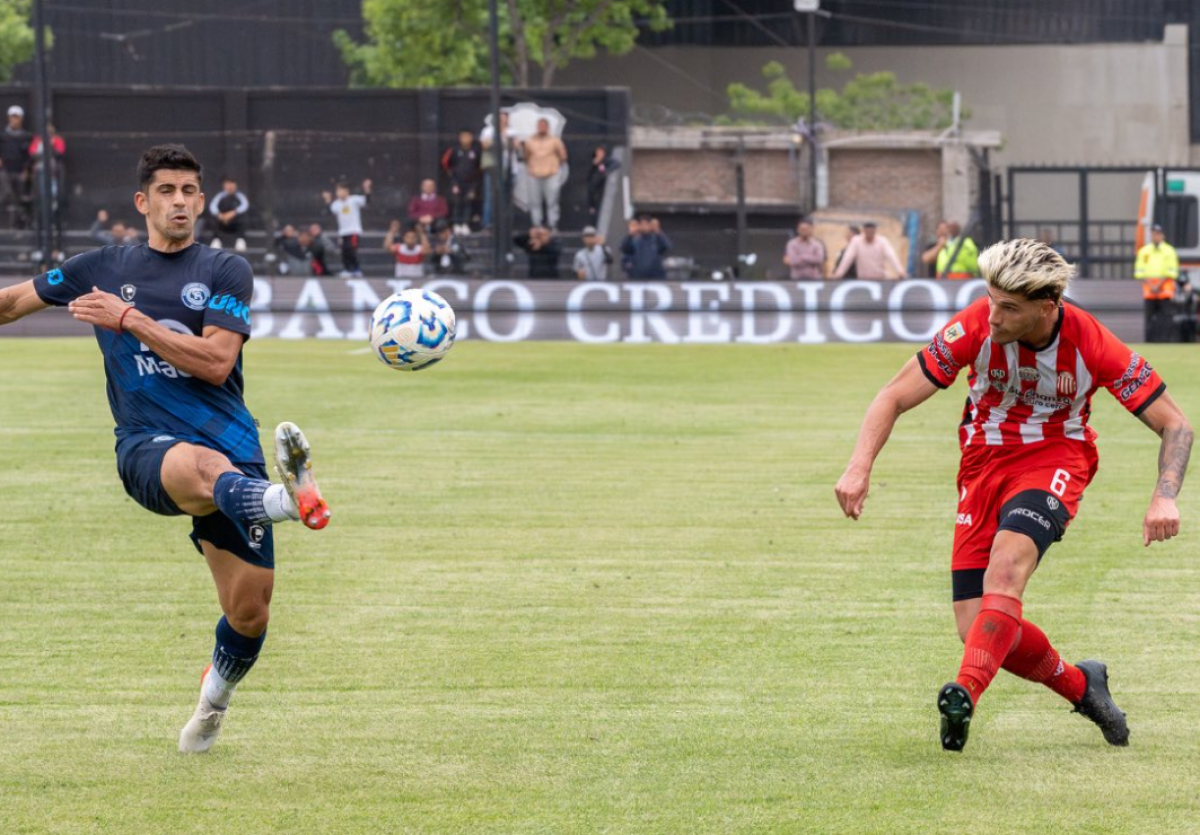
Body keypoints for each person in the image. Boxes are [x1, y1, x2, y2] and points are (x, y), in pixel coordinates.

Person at [0, 144, 333, 755]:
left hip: (232, 446)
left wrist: (128, 319)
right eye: (166, 192)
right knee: (197, 466)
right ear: (143, 202)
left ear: (202, 201)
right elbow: (9, 304)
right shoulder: (98, 265)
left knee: (250, 612)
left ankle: (214, 701)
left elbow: (215, 362)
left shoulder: (225, 271)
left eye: (188, 192)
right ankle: (287, 500)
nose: (178, 202)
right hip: (147, 447)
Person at [834, 238, 1192, 753]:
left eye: (1008, 307)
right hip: (981, 467)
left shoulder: (1091, 342)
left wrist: (1165, 496)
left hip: (1055, 460)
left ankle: (965, 694)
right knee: (976, 626)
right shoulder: (976, 325)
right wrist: (858, 467)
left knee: (1006, 572)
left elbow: (1176, 425)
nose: (993, 317)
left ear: (1046, 308)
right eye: (991, 300)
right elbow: (892, 395)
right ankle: (1081, 684)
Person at [1135, 223, 1178, 343]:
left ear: (1162, 236)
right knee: (1149, 318)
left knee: (1166, 317)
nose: (1155, 236)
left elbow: (1172, 271)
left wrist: (1158, 285)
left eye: (1158, 234)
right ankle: (1150, 341)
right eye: (1153, 234)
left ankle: (1166, 340)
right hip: (1149, 291)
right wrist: (1151, 285)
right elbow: (1139, 272)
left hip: (1164, 290)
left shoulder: (1169, 251)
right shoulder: (1144, 251)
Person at [522, 118, 568, 231]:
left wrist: (555, 166)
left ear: (548, 127)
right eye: (540, 125)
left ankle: (553, 225)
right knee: (535, 201)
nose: (542, 128)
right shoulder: (530, 141)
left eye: (544, 125)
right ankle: (537, 225)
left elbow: (563, 156)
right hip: (534, 174)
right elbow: (526, 156)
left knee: (552, 201)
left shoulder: (555, 140)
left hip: (551, 174)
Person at [323, 179, 372, 278]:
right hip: (343, 232)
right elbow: (330, 211)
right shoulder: (336, 203)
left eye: (341, 190)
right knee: (344, 251)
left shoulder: (354, 200)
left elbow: (367, 201)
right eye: (337, 190)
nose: (339, 193)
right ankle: (347, 269)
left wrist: (367, 189)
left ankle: (356, 269)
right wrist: (327, 200)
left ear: (347, 191)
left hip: (353, 231)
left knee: (351, 249)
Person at [480, 110, 517, 229]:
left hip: (509, 169)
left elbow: (516, 146)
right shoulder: (488, 130)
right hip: (493, 169)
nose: (501, 120)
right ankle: (488, 223)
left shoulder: (512, 131)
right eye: (499, 118)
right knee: (490, 197)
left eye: (503, 118)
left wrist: (504, 136)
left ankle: (505, 223)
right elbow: (485, 145)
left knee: (507, 197)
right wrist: (500, 136)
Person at [832, 221, 906, 280]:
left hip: (881, 279)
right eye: (868, 231)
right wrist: (839, 274)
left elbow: (892, 256)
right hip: (863, 280)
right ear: (864, 230)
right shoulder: (857, 241)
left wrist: (900, 271)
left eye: (872, 232)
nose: (870, 234)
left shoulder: (882, 241)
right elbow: (847, 258)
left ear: (875, 231)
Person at [442, 129, 481, 236]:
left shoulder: (476, 151)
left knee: (468, 202)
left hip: (471, 182)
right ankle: (456, 224)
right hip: (457, 181)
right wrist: (453, 182)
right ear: (460, 138)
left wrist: (474, 186)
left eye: (468, 136)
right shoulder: (454, 150)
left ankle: (465, 224)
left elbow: (479, 166)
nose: (466, 139)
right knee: (457, 202)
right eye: (463, 136)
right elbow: (446, 163)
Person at [0, 104, 30, 228]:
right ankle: (20, 215)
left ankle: (17, 223)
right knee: (7, 192)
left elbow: (29, 155)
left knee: (19, 197)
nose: (14, 120)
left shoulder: (26, 136)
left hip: (20, 171)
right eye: (12, 117)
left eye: (16, 117)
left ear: (21, 119)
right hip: (5, 170)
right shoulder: (2, 136)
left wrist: (26, 170)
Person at [620, 214, 671, 279]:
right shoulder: (634, 240)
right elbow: (624, 249)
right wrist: (630, 235)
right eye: (642, 224)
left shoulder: (656, 239)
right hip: (637, 277)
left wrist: (658, 232)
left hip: (656, 277)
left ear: (650, 225)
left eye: (646, 224)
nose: (644, 226)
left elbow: (667, 246)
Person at [208, 177, 250, 252]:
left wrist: (233, 213)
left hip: (235, 221)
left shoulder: (239, 196)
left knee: (243, 217)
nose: (230, 186)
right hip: (222, 221)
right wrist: (220, 215)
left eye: (231, 184)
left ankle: (240, 240)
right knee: (214, 220)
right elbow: (213, 206)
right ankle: (216, 240)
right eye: (227, 184)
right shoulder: (220, 196)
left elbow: (245, 205)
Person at [586, 146, 619, 220]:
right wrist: (594, 165)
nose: (599, 154)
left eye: (601, 152)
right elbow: (588, 175)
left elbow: (617, 164)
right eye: (598, 152)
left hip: (602, 187)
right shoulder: (593, 162)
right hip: (594, 188)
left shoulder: (607, 161)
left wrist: (607, 171)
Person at [1172, 273, 1198, 343]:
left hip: (1190, 317)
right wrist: (1187, 293)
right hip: (1178, 317)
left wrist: (1190, 292)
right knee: (1179, 337)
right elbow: (1180, 302)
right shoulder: (1176, 290)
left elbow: (1194, 305)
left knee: (1192, 334)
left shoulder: (1193, 291)